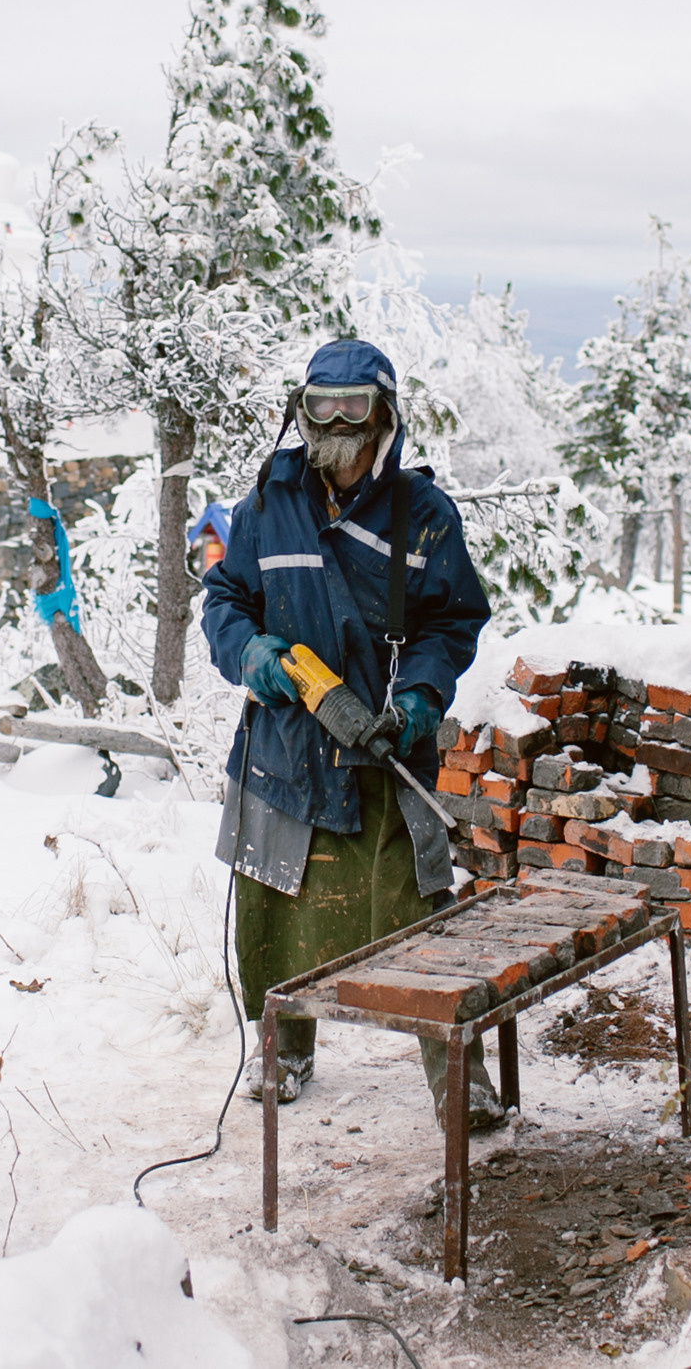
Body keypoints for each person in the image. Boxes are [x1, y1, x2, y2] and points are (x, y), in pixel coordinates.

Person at [203, 338, 503, 1128]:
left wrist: (420, 700)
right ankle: (284, 1052)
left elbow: (452, 621)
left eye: (353, 409)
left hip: (382, 751)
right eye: (319, 407)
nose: (333, 427)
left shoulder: (423, 517)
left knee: (418, 913)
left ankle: (457, 1076)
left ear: (385, 419)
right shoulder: (266, 509)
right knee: (274, 916)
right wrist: (257, 654)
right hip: (282, 754)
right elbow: (224, 603)